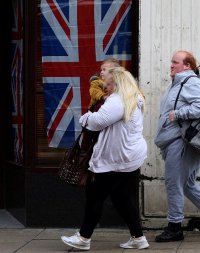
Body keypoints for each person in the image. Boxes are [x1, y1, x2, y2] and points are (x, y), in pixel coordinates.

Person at [61, 68, 149, 250]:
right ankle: (138, 238)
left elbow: (96, 122)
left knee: (95, 196)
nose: (105, 87)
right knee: (122, 198)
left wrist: (84, 117)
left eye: (108, 84)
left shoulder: (118, 101)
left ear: (117, 85)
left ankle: (83, 239)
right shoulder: (134, 97)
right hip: (129, 157)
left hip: (115, 158)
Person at [153, 50, 200, 242]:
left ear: (187, 66)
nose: (171, 65)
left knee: (174, 184)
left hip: (182, 143)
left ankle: (175, 228)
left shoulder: (192, 82)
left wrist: (178, 114)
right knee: (186, 184)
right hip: (177, 142)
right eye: (171, 62)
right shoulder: (178, 83)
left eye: (175, 62)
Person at [81, 58, 122, 151]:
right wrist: (103, 97)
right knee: (89, 134)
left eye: (104, 70)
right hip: (95, 109)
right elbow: (94, 92)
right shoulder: (96, 81)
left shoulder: (120, 83)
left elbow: (132, 89)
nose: (101, 72)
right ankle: (84, 150)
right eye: (101, 70)